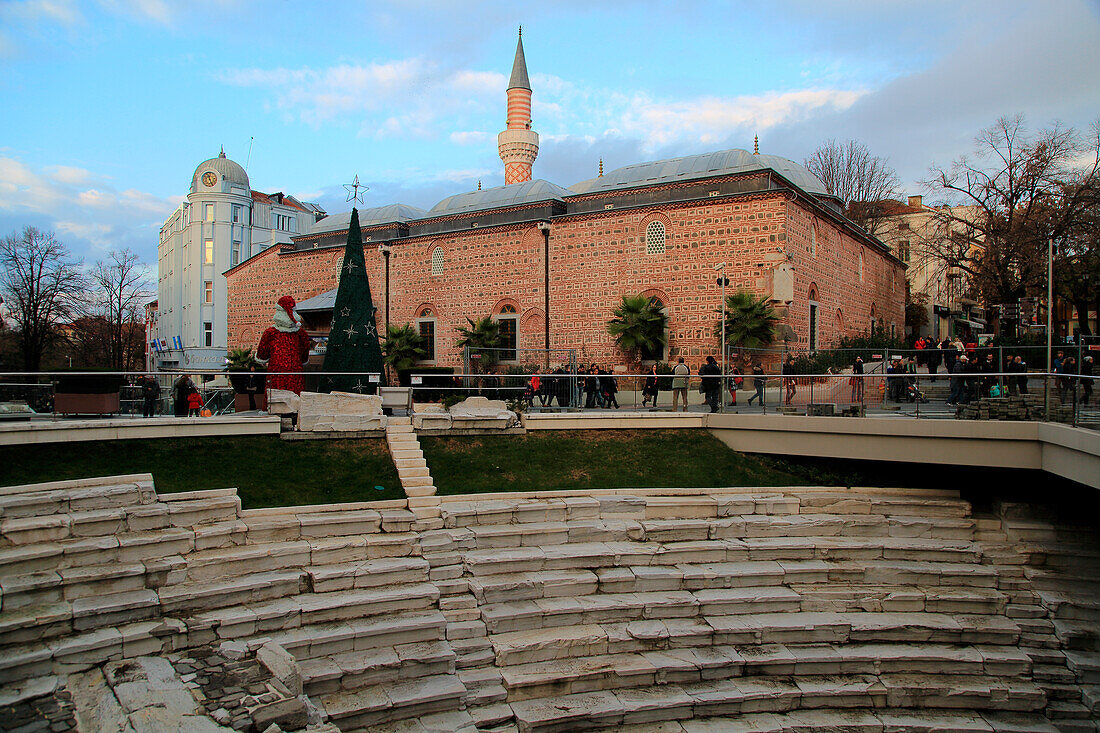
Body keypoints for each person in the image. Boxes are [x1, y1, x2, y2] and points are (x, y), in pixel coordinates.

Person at [256, 295, 312, 395]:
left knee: (275, 398)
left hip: (276, 373)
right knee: (296, 396)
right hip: (295, 373)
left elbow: (262, 354)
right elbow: (304, 355)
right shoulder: (301, 334)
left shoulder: (270, 333)